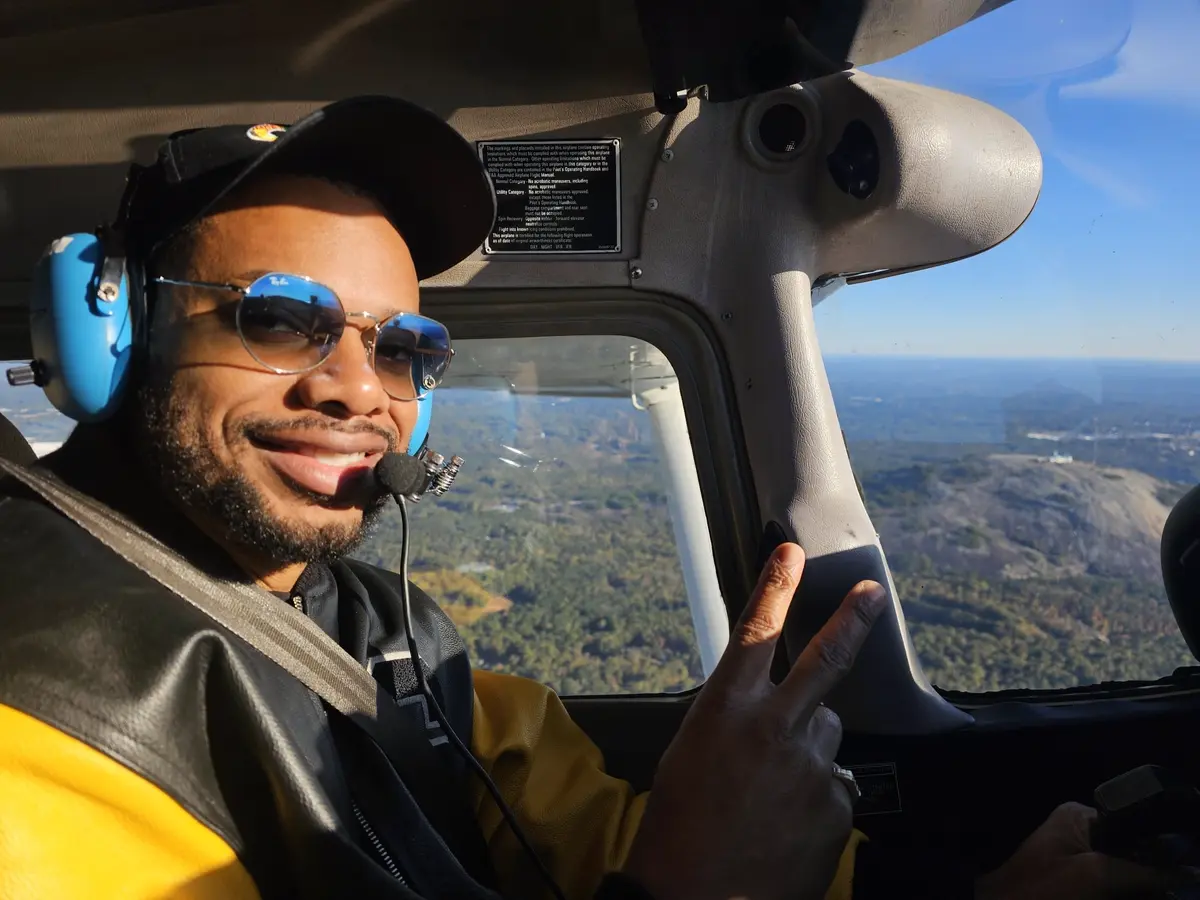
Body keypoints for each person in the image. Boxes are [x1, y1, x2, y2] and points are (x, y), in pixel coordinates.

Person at [0, 96, 1182, 900]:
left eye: (404, 346)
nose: (358, 389)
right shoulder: (41, 727)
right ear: (111, 325)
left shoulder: (392, 639)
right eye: (278, 316)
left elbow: (608, 839)